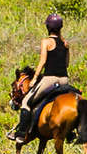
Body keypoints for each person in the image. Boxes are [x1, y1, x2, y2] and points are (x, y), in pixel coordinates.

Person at [9, 14, 72, 144]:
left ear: (48, 27)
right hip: (65, 80)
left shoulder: (46, 42)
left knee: (26, 102)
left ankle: (21, 134)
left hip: (50, 79)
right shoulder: (65, 44)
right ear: (61, 27)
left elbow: (42, 61)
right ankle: (70, 132)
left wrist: (34, 78)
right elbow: (66, 64)